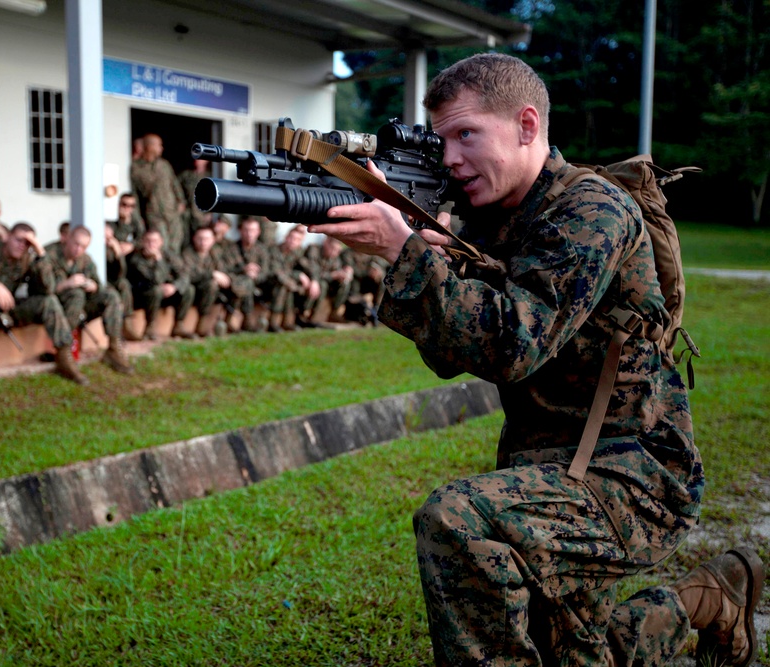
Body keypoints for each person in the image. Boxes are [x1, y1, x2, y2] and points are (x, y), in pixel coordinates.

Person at [309, 53, 763, 666]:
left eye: (466, 134)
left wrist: (407, 256)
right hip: (547, 468)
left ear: (527, 125)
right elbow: (452, 356)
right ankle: (709, 599)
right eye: (441, 141)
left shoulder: (591, 212)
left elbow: (513, 346)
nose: (449, 158)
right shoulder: (494, 220)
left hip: (634, 476)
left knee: (456, 521)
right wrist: (431, 257)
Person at [0, 222, 87, 385]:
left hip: (6, 310)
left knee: (49, 302)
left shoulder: (28, 258)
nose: (21, 246)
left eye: (27, 243)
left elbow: (48, 289)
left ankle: (64, 357)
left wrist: (40, 253)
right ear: (7, 237)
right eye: (18, 240)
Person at [45, 225, 134, 374]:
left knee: (111, 296)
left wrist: (93, 286)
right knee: (76, 294)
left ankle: (113, 347)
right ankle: (63, 352)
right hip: (56, 308)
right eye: (76, 244)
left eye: (83, 247)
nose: (78, 250)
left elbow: (98, 284)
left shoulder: (85, 259)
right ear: (67, 239)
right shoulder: (50, 254)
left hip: (80, 308)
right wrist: (67, 284)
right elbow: (42, 289)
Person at [125, 229, 195, 340]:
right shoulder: (137, 259)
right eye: (148, 241)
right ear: (143, 242)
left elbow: (184, 275)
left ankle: (179, 324)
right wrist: (158, 260)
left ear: (161, 242)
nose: (151, 244)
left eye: (155, 241)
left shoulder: (168, 254)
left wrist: (174, 286)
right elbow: (155, 280)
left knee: (189, 289)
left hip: (165, 293)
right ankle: (150, 327)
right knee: (156, 290)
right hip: (143, 295)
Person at [130, 133, 187, 257]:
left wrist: (181, 201)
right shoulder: (136, 168)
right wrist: (138, 218)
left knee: (176, 244)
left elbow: (174, 183)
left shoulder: (164, 165)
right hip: (154, 214)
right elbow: (135, 196)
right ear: (149, 146)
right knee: (161, 244)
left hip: (172, 211)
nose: (161, 148)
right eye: (159, 145)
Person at [220, 215, 274, 332]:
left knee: (248, 282)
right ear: (240, 230)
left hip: (257, 285)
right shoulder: (232, 249)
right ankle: (247, 320)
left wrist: (255, 276)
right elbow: (226, 270)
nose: (250, 234)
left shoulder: (262, 250)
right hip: (234, 283)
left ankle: (233, 317)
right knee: (246, 282)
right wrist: (243, 270)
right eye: (247, 230)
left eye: (253, 230)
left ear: (258, 232)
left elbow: (266, 272)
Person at [180, 226, 232, 337]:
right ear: (194, 239)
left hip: (212, 292)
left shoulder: (215, 254)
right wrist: (212, 274)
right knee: (211, 285)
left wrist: (224, 277)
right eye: (200, 238)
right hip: (194, 289)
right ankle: (203, 325)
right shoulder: (187, 253)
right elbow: (188, 275)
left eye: (207, 239)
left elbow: (224, 271)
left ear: (213, 240)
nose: (203, 242)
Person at [268, 225, 320, 331]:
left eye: (297, 240)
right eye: (291, 238)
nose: (293, 241)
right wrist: (297, 276)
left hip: (288, 283)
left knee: (295, 286)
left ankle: (291, 321)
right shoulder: (274, 250)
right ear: (286, 237)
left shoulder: (297, 252)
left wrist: (314, 281)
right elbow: (277, 272)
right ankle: (274, 322)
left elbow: (311, 267)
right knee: (284, 286)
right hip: (270, 283)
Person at [305, 235, 354, 322]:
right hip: (311, 280)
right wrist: (332, 275)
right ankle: (308, 314)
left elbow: (336, 269)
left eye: (337, 250)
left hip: (327, 283)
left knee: (345, 283)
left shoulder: (334, 257)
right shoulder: (314, 250)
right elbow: (313, 271)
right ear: (326, 243)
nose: (334, 252)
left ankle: (334, 312)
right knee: (322, 285)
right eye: (333, 248)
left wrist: (343, 274)